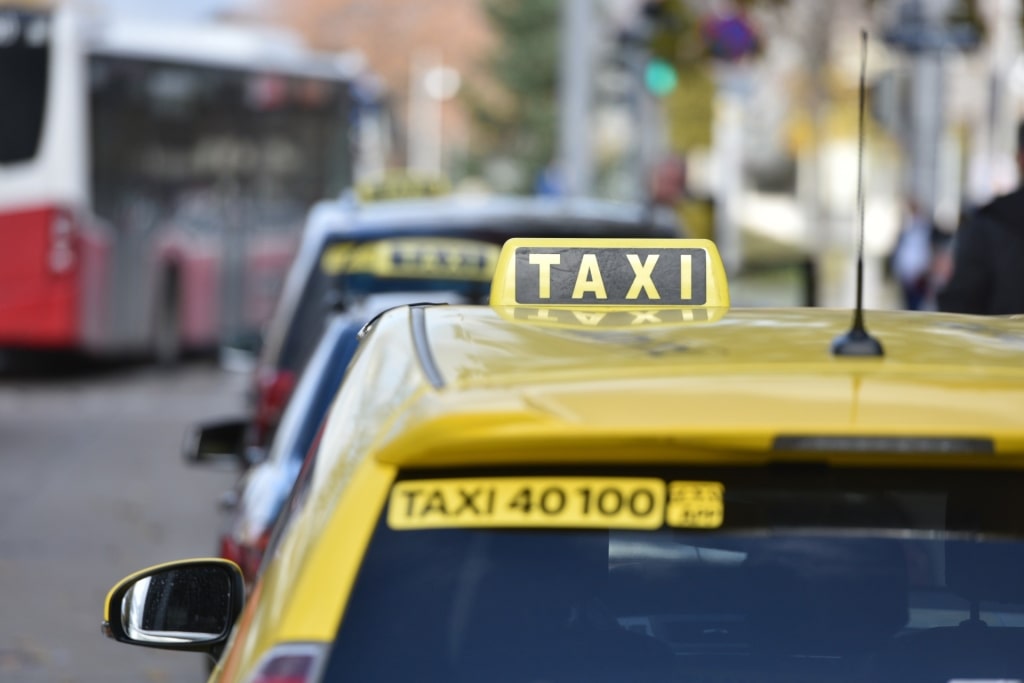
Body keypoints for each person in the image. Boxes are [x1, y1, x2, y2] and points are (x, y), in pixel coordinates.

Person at [937, 122, 1024, 314]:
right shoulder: (989, 223)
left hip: (1002, 343)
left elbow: (959, 310)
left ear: (1019, 159)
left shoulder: (989, 224)